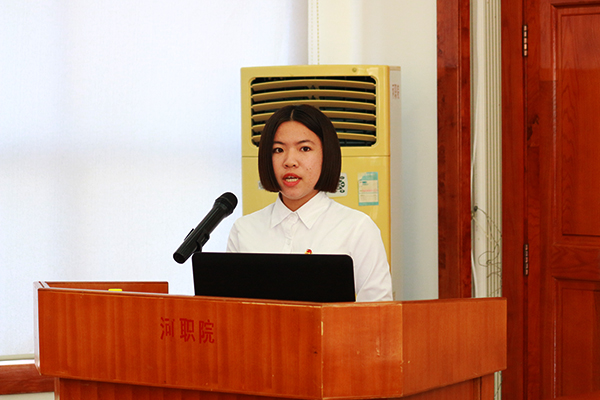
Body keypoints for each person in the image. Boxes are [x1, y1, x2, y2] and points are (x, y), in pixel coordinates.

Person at [227, 104, 393, 302]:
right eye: (278, 150)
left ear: (326, 155)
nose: (290, 161)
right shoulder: (244, 230)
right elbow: (230, 310)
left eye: (304, 148)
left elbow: (378, 310)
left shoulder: (356, 228)